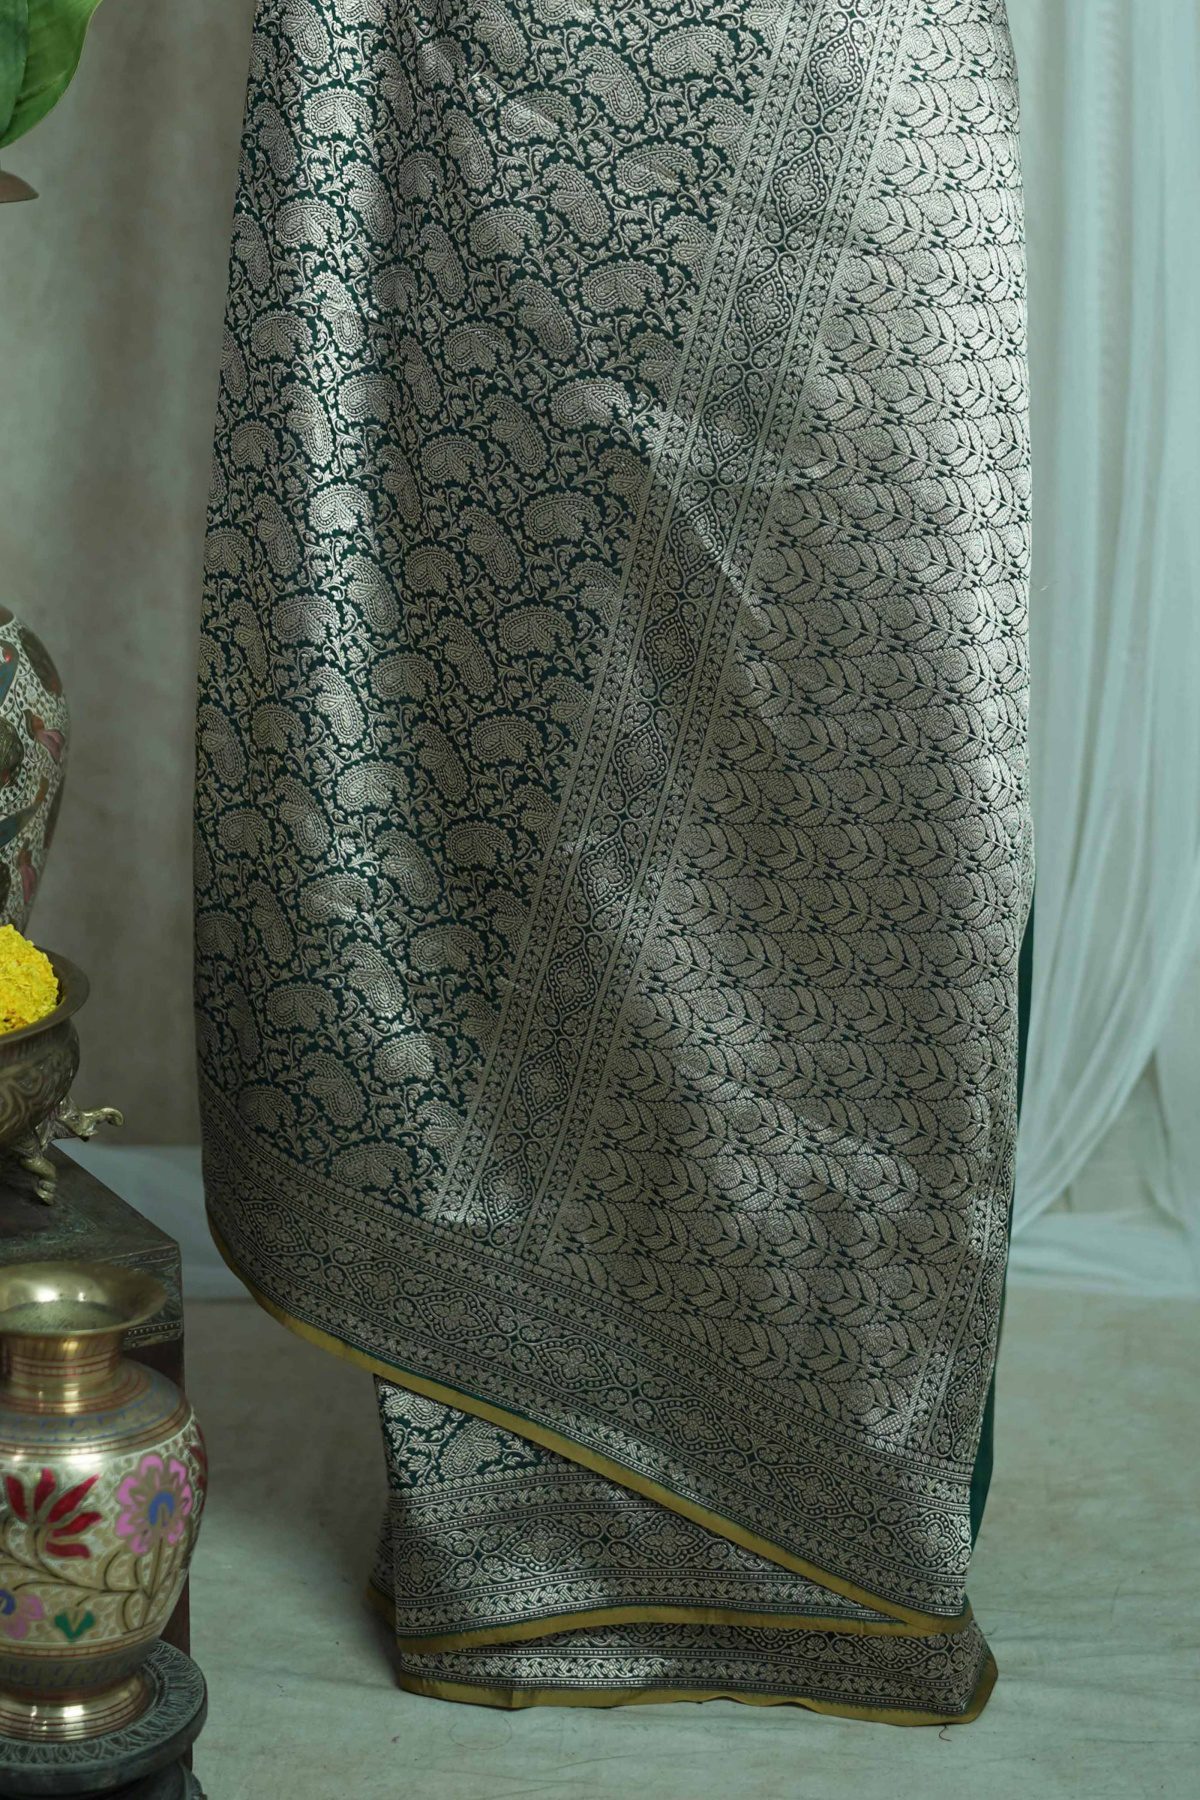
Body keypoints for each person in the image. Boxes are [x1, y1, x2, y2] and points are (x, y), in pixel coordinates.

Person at [195, 0, 1033, 1723]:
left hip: (844, 60)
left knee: (883, 721)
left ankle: (851, 1533)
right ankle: (506, 1547)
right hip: (462, 68)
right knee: (469, 725)